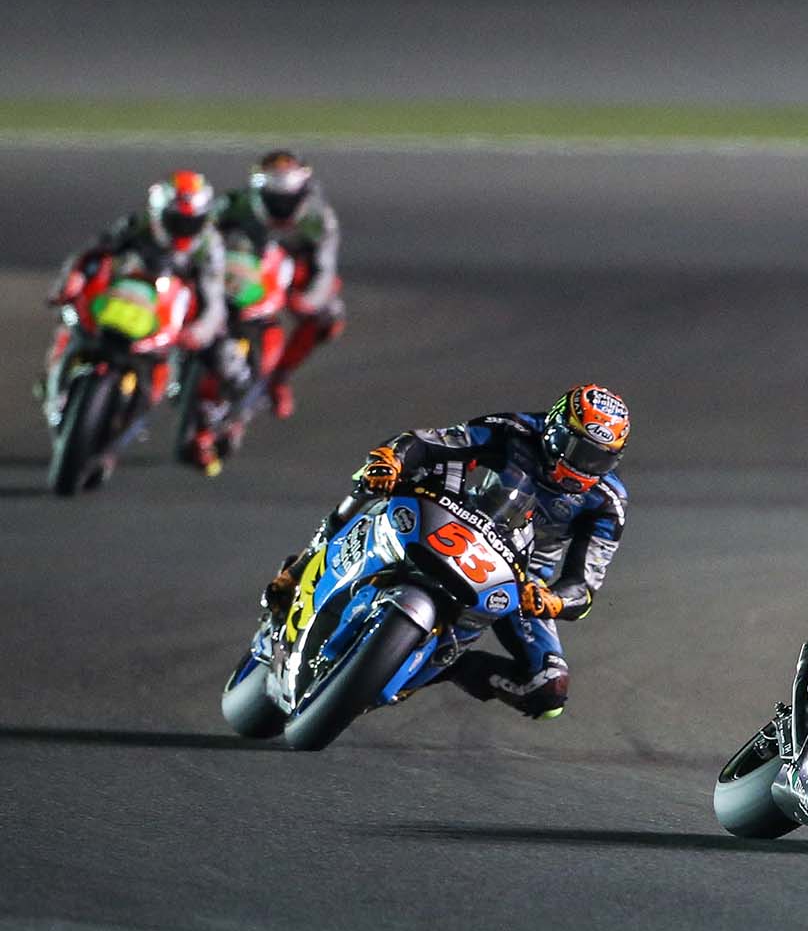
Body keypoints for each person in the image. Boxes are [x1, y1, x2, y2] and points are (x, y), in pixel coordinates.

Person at [265, 384, 630, 720]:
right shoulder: (515, 430)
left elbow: (584, 586)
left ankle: (436, 665)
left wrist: (552, 600)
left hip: (521, 581)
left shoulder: (607, 503)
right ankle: (301, 567)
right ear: (556, 432)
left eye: (600, 459)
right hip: (462, 520)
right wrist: (393, 459)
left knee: (548, 690)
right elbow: (433, 441)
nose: (585, 467)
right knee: (374, 479)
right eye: (579, 451)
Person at [39, 171, 240, 471]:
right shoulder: (137, 225)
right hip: (127, 297)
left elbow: (213, 299)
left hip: (175, 310)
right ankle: (55, 378)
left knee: (226, 362)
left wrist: (198, 332)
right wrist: (72, 281)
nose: (184, 230)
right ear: (159, 214)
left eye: (191, 222)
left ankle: (204, 433)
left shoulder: (209, 246)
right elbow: (94, 253)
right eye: (176, 221)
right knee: (69, 317)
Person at [214, 150, 344, 421]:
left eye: (288, 199)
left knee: (330, 316)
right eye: (274, 199)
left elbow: (324, 269)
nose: (282, 207)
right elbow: (204, 238)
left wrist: (308, 300)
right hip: (241, 269)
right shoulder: (235, 205)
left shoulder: (320, 218)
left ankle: (279, 376)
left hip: (290, 275)